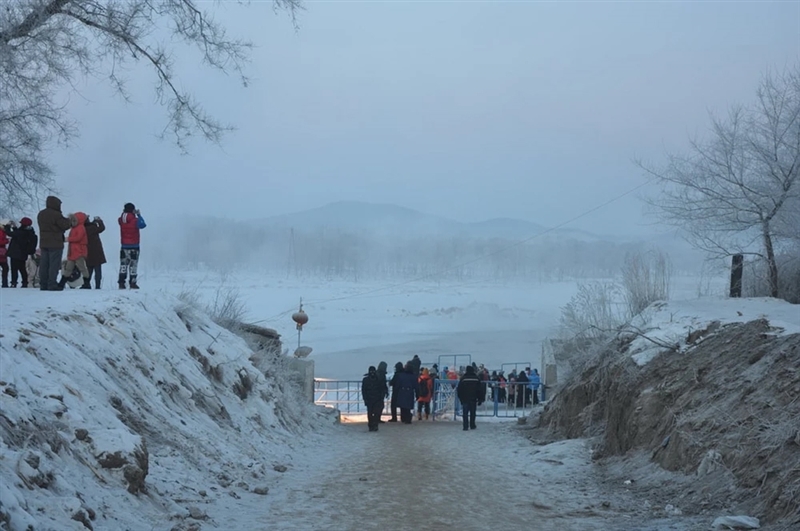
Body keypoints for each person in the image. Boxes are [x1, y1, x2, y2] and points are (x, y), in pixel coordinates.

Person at [37, 196, 72, 291]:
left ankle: (43, 284)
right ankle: (52, 284)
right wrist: (69, 220)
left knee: (44, 264)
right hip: (55, 243)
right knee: (54, 265)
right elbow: (64, 225)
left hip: (44, 242)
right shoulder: (56, 215)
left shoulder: (41, 214)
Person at [58, 213, 90, 290]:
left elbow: (78, 238)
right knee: (69, 268)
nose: (72, 221)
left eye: (74, 220)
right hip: (73, 252)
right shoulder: (74, 228)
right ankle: (61, 284)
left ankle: (87, 283)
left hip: (79, 252)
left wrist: (67, 239)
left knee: (82, 267)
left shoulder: (81, 228)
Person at [118, 202, 146, 289]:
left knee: (123, 265)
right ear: (132, 210)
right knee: (133, 265)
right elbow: (143, 225)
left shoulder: (121, 220)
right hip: (134, 245)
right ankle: (132, 282)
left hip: (124, 245)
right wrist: (139, 215)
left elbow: (123, 218)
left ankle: (121, 282)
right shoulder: (135, 220)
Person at [6, 218, 38, 288]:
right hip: (23, 254)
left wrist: (7, 227)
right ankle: (25, 282)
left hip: (15, 253)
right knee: (22, 269)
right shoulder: (30, 233)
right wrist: (14, 227)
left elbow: (10, 234)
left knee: (14, 269)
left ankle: (14, 283)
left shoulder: (21, 232)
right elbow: (17, 234)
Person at [457, 365, 484, 431]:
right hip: (473, 398)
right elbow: (480, 390)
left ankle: (465, 426)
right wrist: (480, 399)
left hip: (465, 398)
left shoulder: (463, 378)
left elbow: (459, 389)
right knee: (473, 412)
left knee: (465, 413)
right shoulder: (476, 378)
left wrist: (460, 398)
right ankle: (472, 425)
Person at [85, 215, 106, 289]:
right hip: (97, 252)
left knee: (89, 269)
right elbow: (102, 228)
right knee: (98, 271)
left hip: (87, 252)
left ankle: (86, 284)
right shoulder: (93, 228)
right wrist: (98, 221)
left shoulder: (83, 229)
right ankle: (97, 286)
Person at [361, 366, 385, 432]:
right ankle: (371, 425)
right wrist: (365, 399)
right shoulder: (366, 380)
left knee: (375, 413)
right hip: (370, 399)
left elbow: (381, 389)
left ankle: (374, 425)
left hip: (376, 399)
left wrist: (381, 397)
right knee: (370, 413)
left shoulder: (377, 379)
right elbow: (364, 390)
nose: (372, 373)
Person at [0, 221, 9, 287]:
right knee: (5, 268)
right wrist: (7, 240)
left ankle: (5, 283)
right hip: (1, 251)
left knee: (5, 268)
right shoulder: (1, 232)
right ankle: (4, 283)